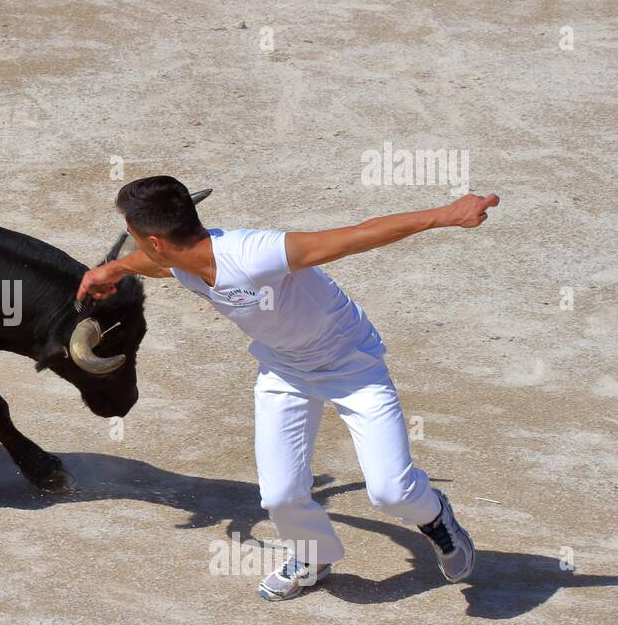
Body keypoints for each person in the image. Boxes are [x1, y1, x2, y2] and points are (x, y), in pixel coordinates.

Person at [76, 176, 498, 601]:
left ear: (153, 239)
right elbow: (157, 265)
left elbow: (358, 236)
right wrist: (115, 269)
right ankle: (314, 556)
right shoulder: (179, 261)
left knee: (391, 493)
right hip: (283, 371)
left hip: (352, 366)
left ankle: (435, 516)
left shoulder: (254, 253)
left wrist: (446, 215)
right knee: (279, 496)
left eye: (133, 237)